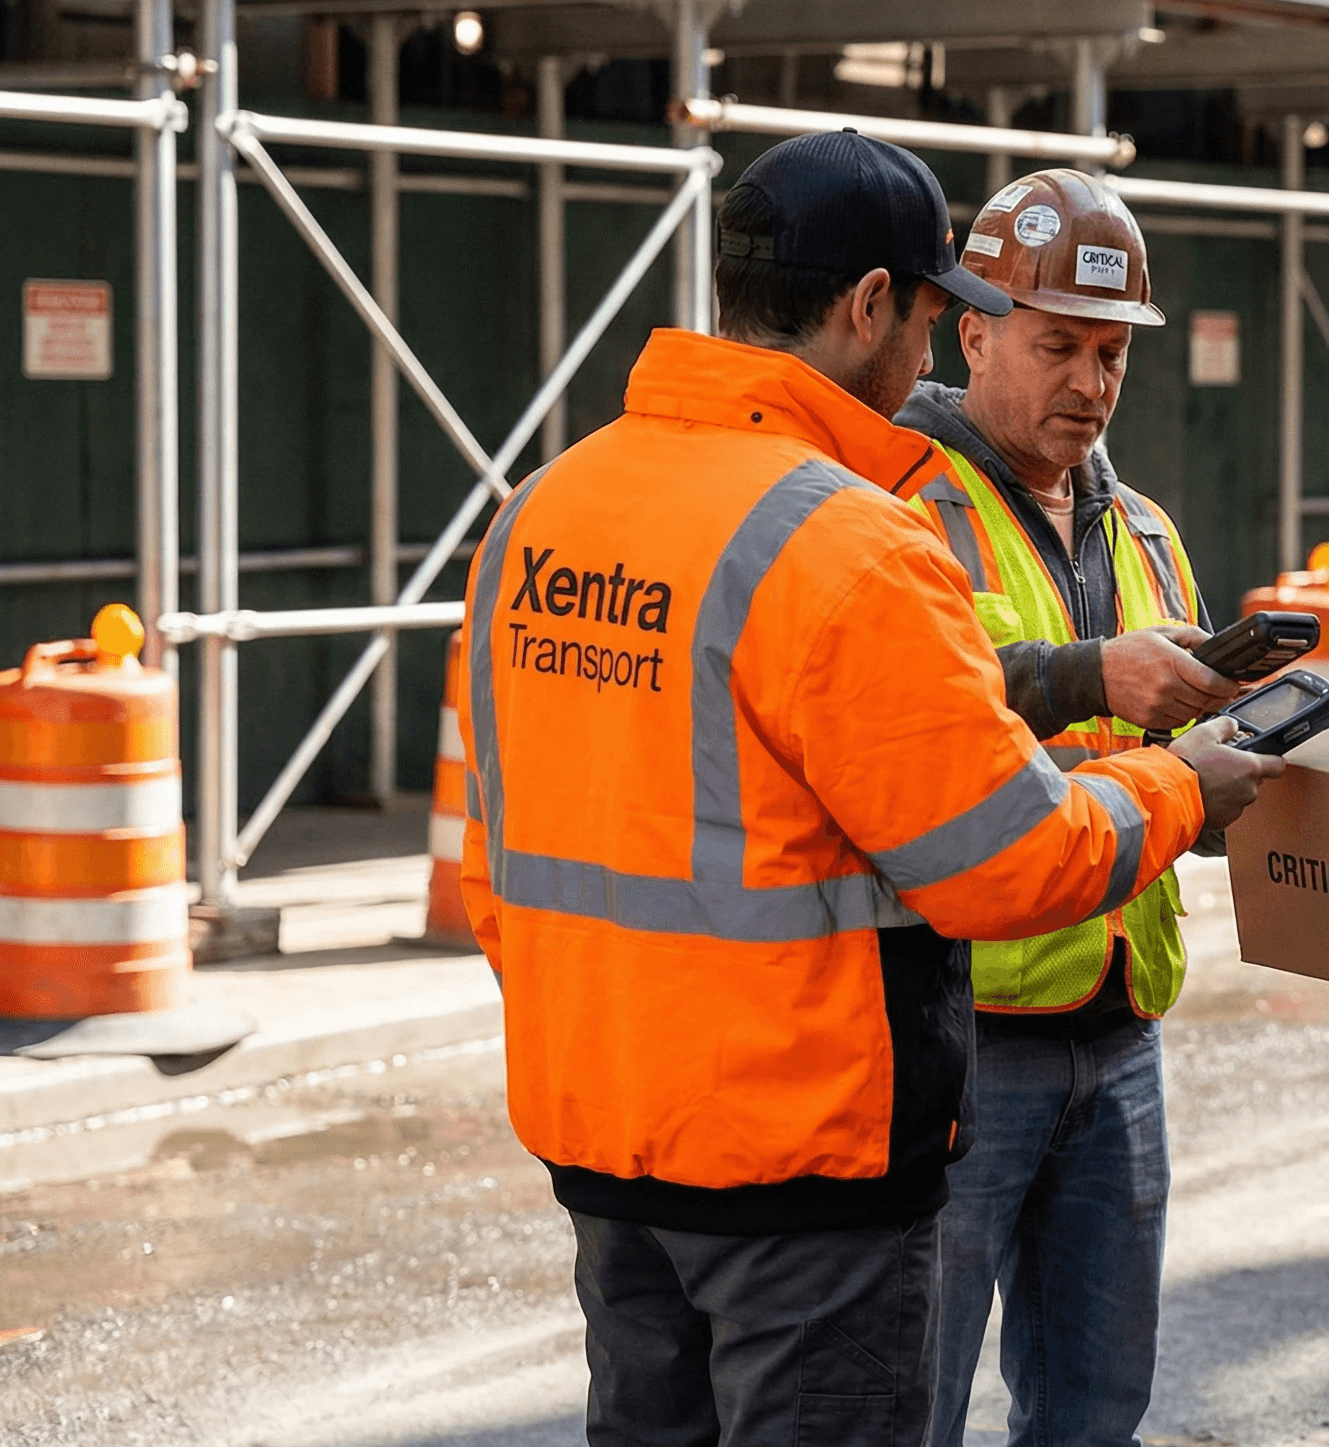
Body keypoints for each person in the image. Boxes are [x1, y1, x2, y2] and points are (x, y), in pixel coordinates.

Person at [452, 131, 1282, 1447]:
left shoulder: (538, 513)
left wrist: (614, 1060)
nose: (927, 355)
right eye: (939, 314)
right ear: (870, 306)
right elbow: (1005, 861)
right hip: (801, 1171)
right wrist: (1178, 790)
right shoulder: (842, 535)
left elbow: (488, 857)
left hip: (611, 1153)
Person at [896, 168, 1236, 1447]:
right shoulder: (904, 507)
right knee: (911, 1401)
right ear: (973, 330)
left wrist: (1239, 737)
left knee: (1097, 1408)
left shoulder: (1142, 527)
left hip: (1121, 1016)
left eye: (1110, 353)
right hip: (967, 1030)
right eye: (1058, 347)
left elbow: (1169, 736)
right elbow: (915, 713)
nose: (1090, 382)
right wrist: (1094, 673)